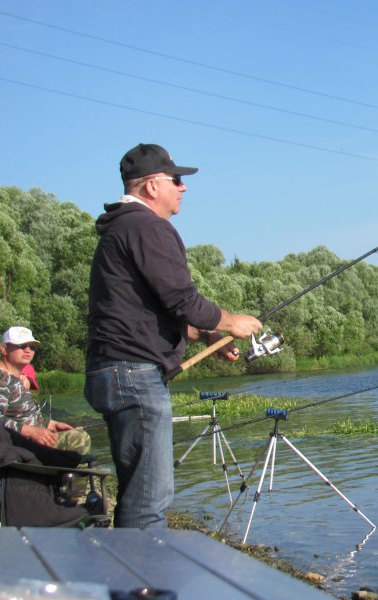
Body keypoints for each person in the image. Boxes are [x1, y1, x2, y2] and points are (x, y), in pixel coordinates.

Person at [85, 143, 262, 529]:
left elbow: (146, 310)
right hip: (134, 376)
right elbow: (182, 299)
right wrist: (231, 321)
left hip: (112, 371)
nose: (183, 188)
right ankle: (144, 586)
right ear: (151, 186)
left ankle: (129, 578)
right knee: (149, 502)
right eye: (176, 180)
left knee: (135, 492)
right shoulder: (148, 226)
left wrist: (209, 336)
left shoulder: (122, 229)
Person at [0, 327, 91, 455]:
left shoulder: (14, 377)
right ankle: (63, 474)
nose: (28, 350)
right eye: (22, 345)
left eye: (32, 347)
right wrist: (30, 431)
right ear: (4, 349)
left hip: (26, 442)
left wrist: (50, 424)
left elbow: (24, 416)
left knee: (77, 432)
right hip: (14, 447)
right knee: (78, 438)